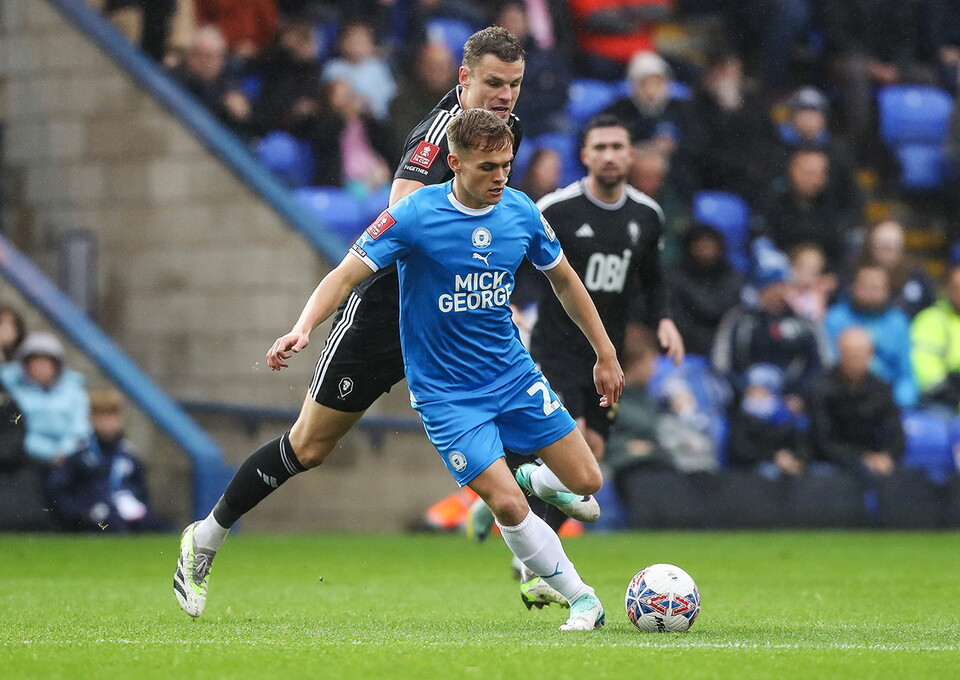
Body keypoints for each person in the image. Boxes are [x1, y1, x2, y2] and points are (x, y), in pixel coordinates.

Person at [174, 26, 588, 619]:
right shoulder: (431, 141)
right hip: (388, 319)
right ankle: (206, 537)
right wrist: (304, 325)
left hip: (459, 322)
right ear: (463, 78)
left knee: (504, 412)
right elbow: (402, 220)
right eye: (494, 83)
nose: (506, 96)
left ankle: (534, 560)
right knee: (309, 446)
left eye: (515, 84)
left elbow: (493, 226)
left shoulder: (503, 132)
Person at [471, 114, 683, 606]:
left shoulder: (647, 215)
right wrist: (512, 305)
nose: (609, 155)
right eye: (599, 146)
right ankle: (536, 563)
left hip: (606, 354)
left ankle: (521, 498)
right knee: (578, 454)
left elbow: (652, 278)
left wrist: (664, 321)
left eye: (618, 146)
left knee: (591, 462)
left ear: (631, 156)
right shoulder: (556, 209)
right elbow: (516, 259)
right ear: (584, 156)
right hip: (556, 350)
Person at [712, 245, 830, 409]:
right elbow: (722, 362)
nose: (780, 291)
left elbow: (819, 365)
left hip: (790, 398)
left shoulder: (804, 323)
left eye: (784, 285)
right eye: (774, 285)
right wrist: (744, 389)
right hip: (744, 397)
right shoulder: (739, 319)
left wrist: (798, 394)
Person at [46, 389, 168, 533]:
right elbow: (60, 490)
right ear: (91, 419)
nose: (106, 423)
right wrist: (81, 512)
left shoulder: (128, 454)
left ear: (120, 419)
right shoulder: (79, 455)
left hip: (126, 510)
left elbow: (141, 490)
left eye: (111, 417)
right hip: (96, 514)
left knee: (162, 527)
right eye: (101, 417)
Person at [808, 327, 904, 481]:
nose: (855, 357)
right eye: (850, 351)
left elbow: (896, 432)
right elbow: (822, 439)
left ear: (871, 353)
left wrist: (888, 456)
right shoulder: (821, 389)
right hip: (834, 462)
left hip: (875, 459)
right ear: (839, 352)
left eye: (860, 351)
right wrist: (862, 458)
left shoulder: (881, 388)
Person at [824, 264, 917, 408]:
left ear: (887, 291)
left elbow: (905, 374)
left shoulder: (898, 322)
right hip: (845, 398)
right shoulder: (835, 318)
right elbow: (830, 365)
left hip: (889, 399)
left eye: (878, 288)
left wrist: (899, 403)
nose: (872, 293)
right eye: (866, 287)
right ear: (853, 287)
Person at [0, 332, 92, 469]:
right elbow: (15, 427)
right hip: (26, 460)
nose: (41, 368)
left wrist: (64, 451)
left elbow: (80, 429)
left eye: (46, 363)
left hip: (68, 460)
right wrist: (49, 452)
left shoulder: (74, 393)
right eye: (36, 363)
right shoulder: (13, 393)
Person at [664, 223, 744, 356]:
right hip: (682, 349)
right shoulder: (673, 277)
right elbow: (674, 319)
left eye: (710, 245)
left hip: (724, 350)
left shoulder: (733, 278)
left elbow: (735, 317)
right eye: (701, 245)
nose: (705, 251)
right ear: (690, 247)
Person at [167, 25, 253, 139]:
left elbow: (244, 116)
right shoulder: (173, 79)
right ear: (189, 55)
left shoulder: (228, 82)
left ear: (221, 59)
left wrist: (241, 113)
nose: (204, 62)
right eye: (199, 54)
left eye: (211, 56)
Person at [727, 363, 807, 479]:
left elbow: (801, 447)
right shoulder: (741, 418)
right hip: (751, 473)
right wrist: (774, 457)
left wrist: (795, 461)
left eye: (760, 390)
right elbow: (740, 450)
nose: (754, 396)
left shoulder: (788, 420)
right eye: (751, 390)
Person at [852, 220, 936, 320]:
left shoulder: (917, 277)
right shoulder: (858, 273)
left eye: (896, 247)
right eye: (885, 248)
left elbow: (931, 309)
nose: (890, 253)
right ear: (872, 249)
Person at [322, 20, 398, 121]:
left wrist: (370, 105)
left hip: (373, 118)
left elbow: (389, 94)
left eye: (360, 42)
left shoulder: (378, 67)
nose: (355, 46)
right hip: (342, 117)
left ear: (371, 46)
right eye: (351, 40)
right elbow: (330, 95)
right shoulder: (333, 67)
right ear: (340, 43)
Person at [911, 263, 960, 411]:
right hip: (944, 396)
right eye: (957, 288)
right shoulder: (930, 319)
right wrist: (946, 388)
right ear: (948, 289)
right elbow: (924, 364)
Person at [785, 244, 835, 323]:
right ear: (793, 265)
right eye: (806, 266)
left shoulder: (818, 294)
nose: (811, 272)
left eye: (816, 268)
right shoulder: (781, 290)